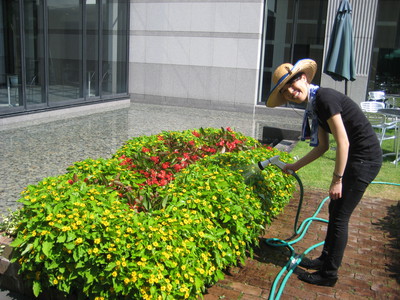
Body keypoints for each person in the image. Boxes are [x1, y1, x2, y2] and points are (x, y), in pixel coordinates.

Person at [266, 59, 382, 287]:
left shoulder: (325, 99)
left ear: (304, 78)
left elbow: (344, 143)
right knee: (335, 209)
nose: (290, 91)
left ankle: (329, 275)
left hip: (365, 159)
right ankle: (324, 260)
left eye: (292, 83)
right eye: (285, 90)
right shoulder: (316, 105)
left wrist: (337, 180)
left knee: (340, 217)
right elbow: (322, 147)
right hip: (358, 159)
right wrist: (294, 166)